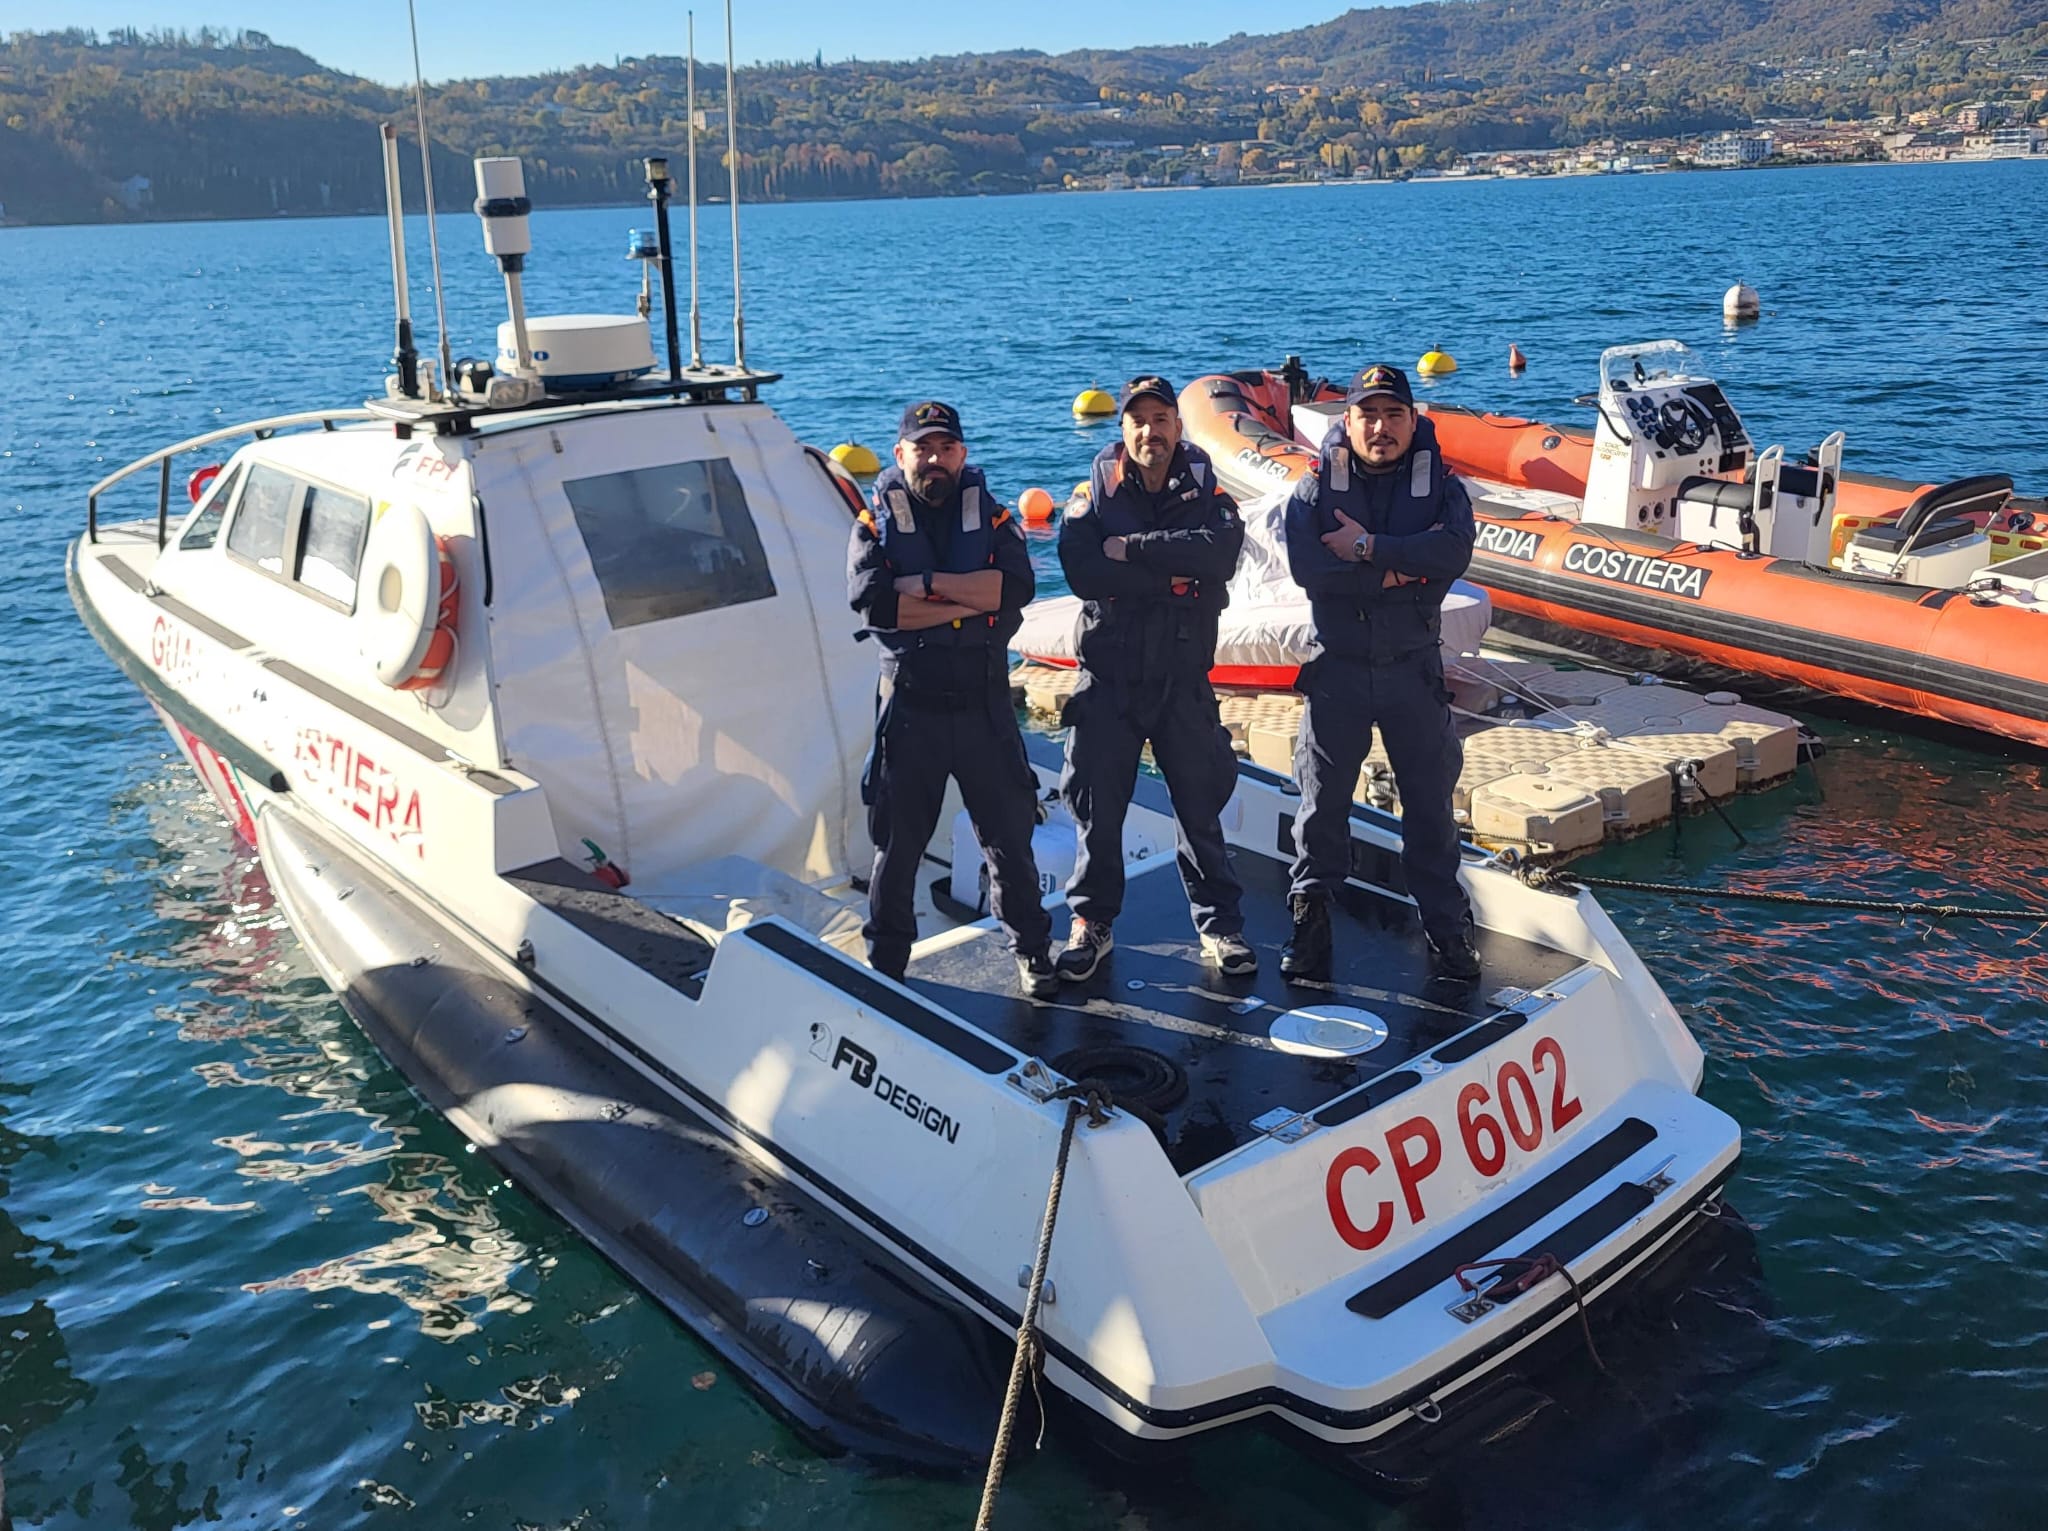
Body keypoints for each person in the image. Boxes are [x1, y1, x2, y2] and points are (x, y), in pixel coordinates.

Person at [847, 400, 1058, 998]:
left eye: (945, 448)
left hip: (984, 707)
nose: (934, 459)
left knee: (1008, 841)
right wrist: (974, 599)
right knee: (898, 847)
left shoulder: (993, 520)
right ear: (900, 455)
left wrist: (932, 588)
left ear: (962, 454)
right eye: (923, 448)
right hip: (911, 710)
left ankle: (1032, 951)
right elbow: (876, 605)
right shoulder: (871, 523)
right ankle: (886, 963)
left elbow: (1014, 590)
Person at [1280, 363, 1481, 982]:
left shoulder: (1442, 488)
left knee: (1429, 809)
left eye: (1394, 414)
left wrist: (1369, 549)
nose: (1381, 427)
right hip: (1337, 671)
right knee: (1321, 808)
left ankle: (1447, 929)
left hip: (1412, 672)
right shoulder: (1315, 490)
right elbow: (1311, 570)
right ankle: (1310, 925)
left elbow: (1452, 554)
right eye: (1369, 414)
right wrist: (1402, 570)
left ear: (1413, 420)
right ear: (1349, 422)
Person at [1054, 375, 1254, 982]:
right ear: (1122, 431)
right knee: (1098, 808)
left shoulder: (1207, 490)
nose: (1150, 431)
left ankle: (1220, 924)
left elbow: (1218, 557)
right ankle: (1092, 923)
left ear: (1177, 425)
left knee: (1200, 806)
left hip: (1181, 678)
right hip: (1110, 679)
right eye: (1137, 421)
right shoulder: (1093, 495)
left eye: (1161, 419)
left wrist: (1133, 549)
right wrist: (1172, 578)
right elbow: (1082, 570)